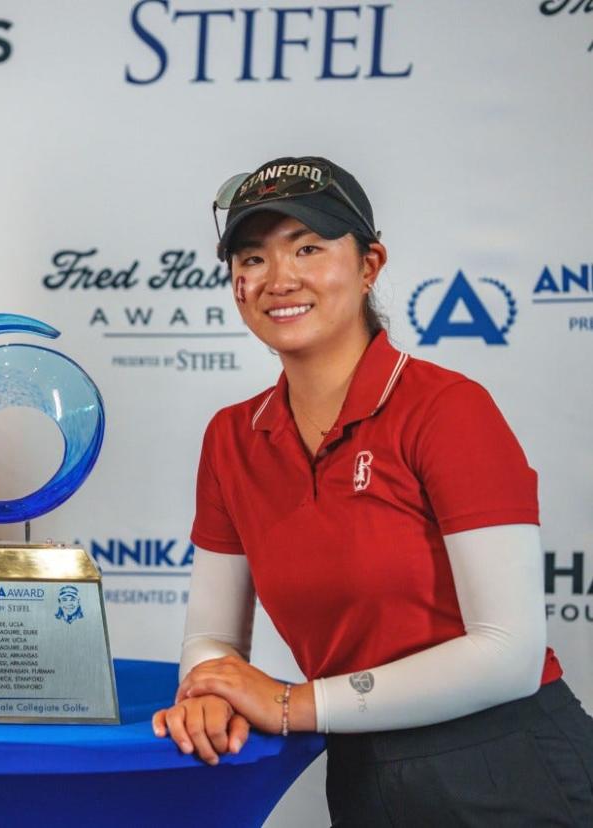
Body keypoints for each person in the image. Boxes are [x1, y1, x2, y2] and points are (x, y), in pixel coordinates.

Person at [152, 156, 593, 824]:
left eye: (308, 248)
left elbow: (510, 651)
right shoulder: (231, 437)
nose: (279, 279)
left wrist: (290, 704)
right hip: (362, 771)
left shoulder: (446, 408)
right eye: (252, 258)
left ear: (369, 265)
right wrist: (207, 691)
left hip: (506, 762)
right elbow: (213, 634)